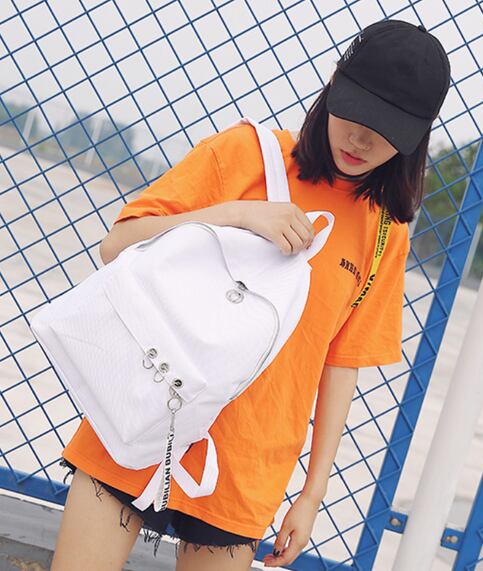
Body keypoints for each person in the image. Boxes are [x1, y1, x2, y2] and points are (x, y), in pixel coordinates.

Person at [50, 18, 450, 571]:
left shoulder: (384, 232)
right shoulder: (246, 153)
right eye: (356, 114)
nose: (360, 140)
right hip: (141, 413)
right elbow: (116, 246)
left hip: (247, 465)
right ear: (333, 87)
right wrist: (236, 215)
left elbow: (340, 362)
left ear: (415, 136)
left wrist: (312, 494)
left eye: (385, 130)